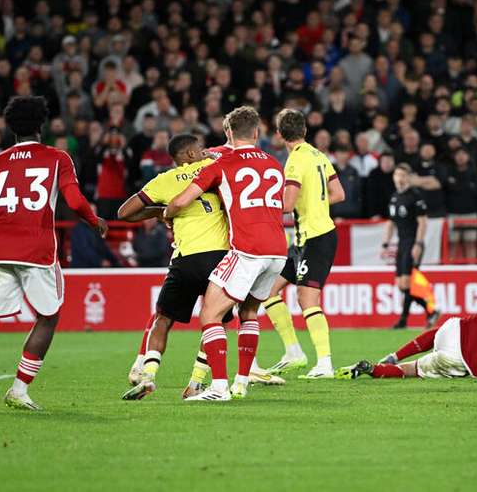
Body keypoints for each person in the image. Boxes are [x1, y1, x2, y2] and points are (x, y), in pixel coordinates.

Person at [0, 96, 106, 412]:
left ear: (10, 127)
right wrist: (95, 220)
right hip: (36, 249)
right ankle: (19, 389)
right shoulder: (57, 157)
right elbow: (74, 201)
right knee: (48, 317)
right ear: (42, 124)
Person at [119, 133, 282, 401]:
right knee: (215, 319)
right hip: (219, 256)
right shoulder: (213, 167)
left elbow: (124, 213)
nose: (204, 151)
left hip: (185, 259)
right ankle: (197, 382)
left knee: (163, 319)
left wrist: (161, 212)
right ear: (192, 154)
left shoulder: (164, 181)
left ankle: (147, 374)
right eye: (199, 149)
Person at [164, 106, 287, 402]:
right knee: (249, 312)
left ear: (228, 133)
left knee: (210, 313)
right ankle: (241, 383)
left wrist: (168, 213)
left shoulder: (221, 164)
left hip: (247, 249)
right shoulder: (274, 163)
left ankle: (218, 387)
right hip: (278, 252)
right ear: (257, 133)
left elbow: (183, 200)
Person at [260, 109, 345, 379]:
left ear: (279, 135)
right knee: (268, 290)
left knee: (306, 297)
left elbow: (286, 205)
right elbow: (338, 194)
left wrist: (260, 206)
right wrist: (316, 203)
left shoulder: (294, 161)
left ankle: (324, 363)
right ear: (305, 131)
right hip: (303, 240)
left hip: (316, 237)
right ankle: (293, 351)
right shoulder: (320, 155)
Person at [336, 282, 477, 380]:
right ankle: (373, 369)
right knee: (412, 371)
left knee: (437, 333)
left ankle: (393, 356)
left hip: (455, 327)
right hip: (463, 356)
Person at [383, 164, 438, 329]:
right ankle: (431, 311)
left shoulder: (415, 196)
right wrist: (385, 242)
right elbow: (391, 222)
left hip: (412, 242)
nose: (399, 178)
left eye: (402, 175)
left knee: (407, 282)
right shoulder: (394, 197)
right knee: (401, 284)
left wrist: (418, 244)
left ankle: (403, 320)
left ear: (407, 178)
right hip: (402, 243)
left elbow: (423, 222)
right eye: (397, 175)